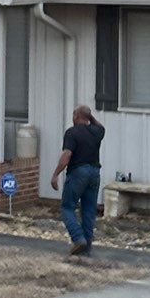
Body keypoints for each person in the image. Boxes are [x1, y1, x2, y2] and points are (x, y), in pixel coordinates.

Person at [51, 104, 105, 255]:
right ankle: (85, 250)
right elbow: (100, 126)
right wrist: (90, 117)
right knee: (88, 211)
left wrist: (55, 174)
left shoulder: (71, 133)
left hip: (78, 173)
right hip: (95, 173)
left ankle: (78, 238)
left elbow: (67, 155)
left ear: (76, 116)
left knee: (67, 207)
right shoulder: (97, 131)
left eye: (74, 115)